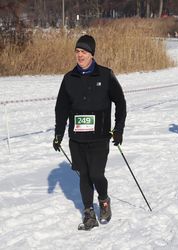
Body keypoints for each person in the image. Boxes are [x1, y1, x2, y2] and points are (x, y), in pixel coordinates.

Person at [53, 35, 127, 230]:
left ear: (91, 54)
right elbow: (61, 108)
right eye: (77, 52)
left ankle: (103, 199)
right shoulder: (69, 78)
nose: (80, 55)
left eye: (83, 52)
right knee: (84, 175)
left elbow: (120, 102)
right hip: (77, 139)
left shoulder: (105, 75)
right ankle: (89, 213)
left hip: (99, 137)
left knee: (96, 174)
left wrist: (118, 129)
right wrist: (59, 133)